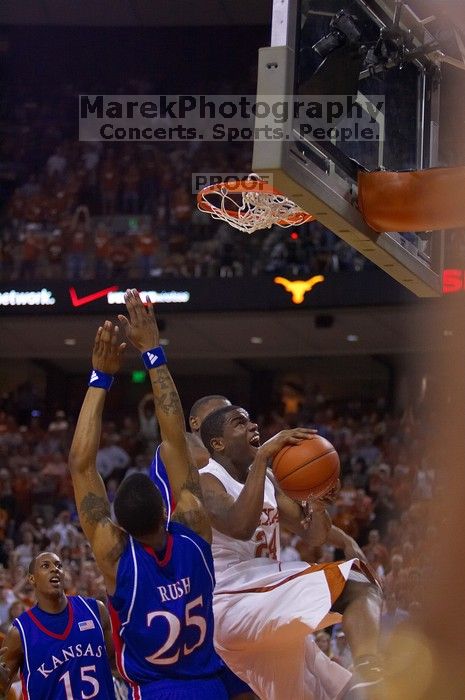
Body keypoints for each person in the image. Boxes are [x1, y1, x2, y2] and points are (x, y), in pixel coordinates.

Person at [67, 289, 228, 699]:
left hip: (156, 690)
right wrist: (153, 353)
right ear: (166, 506)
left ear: (119, 523)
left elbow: (81, 466)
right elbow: (175, 441)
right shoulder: (193, 528)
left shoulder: (115, 555)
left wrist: (100, 376)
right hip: (210, 687)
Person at [199, 405, 384, 700]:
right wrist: (262, 458)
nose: (253, 426)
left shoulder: (269, 480)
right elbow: (240, 526)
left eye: (251, 420)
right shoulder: (206, 480)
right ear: (218, 444)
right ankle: (370, 671)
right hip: (234, 603)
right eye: (239, 423)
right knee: (355, 582)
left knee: (334, 693)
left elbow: (313, 535)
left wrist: (319, 504)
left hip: (270, 604)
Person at [0, 551, 115, 699]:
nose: (55, 569)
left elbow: (116, 663)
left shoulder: (95, 610)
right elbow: (3, 688)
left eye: (59, 565)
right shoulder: (20, 632)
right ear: (32, 579)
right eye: (45, 566)